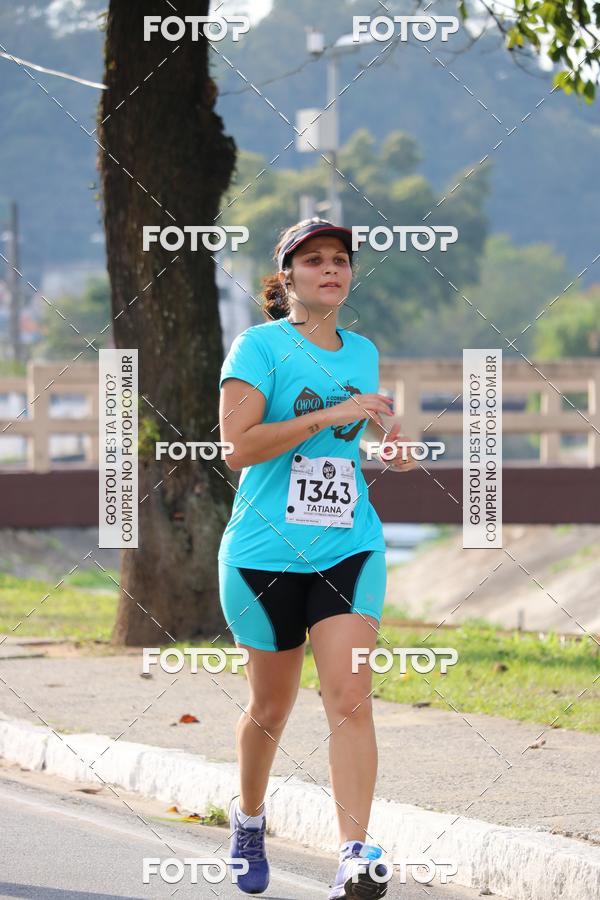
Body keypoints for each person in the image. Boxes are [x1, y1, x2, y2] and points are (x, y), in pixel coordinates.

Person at [218, 218, 416, 899]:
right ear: (288, 277)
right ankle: (249, 820)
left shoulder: (362, 351)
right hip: (264, 552)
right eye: (313, 260)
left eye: (340, 259)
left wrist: (385, 447)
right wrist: (328, 416)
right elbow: (238, 448)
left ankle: (353, 855)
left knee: (349, 696)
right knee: (270, 707)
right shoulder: (259, 346)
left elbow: (346, 441)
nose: (330, 269)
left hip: (347, 546)